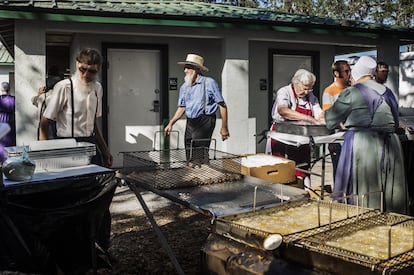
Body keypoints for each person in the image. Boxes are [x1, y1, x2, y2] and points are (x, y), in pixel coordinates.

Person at [39, 48, 114, 251]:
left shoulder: (97, 88)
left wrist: (105, 150)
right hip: (66, 145)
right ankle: (71, 248)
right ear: (76, 64)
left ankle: (102, 245)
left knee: (101, 197)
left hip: (90, 145)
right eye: (83, 69)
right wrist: (47, 155)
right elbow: (45, 122)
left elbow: (94, 125)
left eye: (92, 71)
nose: (86, 75)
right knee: (70, 198)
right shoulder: (64, 86)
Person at [325, 56, 408, 214]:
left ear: (356, 73)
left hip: (364, 145)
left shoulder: (351, 92)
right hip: (391, 145)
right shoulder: (388, 92)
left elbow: (330, 120)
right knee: (391, 196)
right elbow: (395, 123)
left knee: (365, 192)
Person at [164, 53, 229, 162]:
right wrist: (171, 123)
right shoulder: (185, 87)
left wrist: (224, 127)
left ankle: (203, 173)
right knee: (189, 150)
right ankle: (192, 174)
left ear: (197, 69)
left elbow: (222, 105)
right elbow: (182, 107)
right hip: (191, 122)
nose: (185, 70)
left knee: (199, 153)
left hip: (205, 120)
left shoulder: (209, 83)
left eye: (188, 68)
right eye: (185, 68)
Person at [266, 69, 324, 188]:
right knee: (283, 169)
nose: (307, 91)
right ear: (296, 83)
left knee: (302, 168)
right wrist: (308, 118)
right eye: (305, 88)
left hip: (301, 139)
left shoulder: (310, 96)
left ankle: (304, 192)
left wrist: (323, 120)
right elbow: (283, 111)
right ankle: (282, 197)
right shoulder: (285, 92)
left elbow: (319, 113)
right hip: (282, 137)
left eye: (309, 88)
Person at [322, 60, 351, 184]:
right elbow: (329, 115)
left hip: (352, 136)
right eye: (346, 71)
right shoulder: (329, 91)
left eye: (350, 71)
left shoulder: (352, 89)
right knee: (340, 171)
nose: (349, 74)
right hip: (338, 138)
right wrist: (344, 126)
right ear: (336, 73)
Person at [32, 65, 64, 139]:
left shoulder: (43, 97)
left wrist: (39, 95)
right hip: (57, 127)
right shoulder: (63, 95)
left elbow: (34, 101)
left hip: (44, 128)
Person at [0, 81, 16, 147]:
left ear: (1, 89)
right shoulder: (13, 99)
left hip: (1, 119)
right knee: (10, 138)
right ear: (9, 89)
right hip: (11, 120)